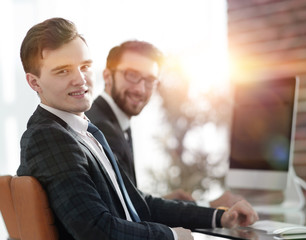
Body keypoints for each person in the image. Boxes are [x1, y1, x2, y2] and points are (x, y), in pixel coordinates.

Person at [17, 17, 258, 240]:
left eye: (85, 66)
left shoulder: (83, 132)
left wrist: (218, 217)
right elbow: (95, 231)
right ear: (34, 82)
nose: (80, 79)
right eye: (63, 70)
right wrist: (172, 237)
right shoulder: (49, 136)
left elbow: (137, 204)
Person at [86, 40, 246, 207]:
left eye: (150, 80)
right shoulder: (102, 128)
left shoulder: (114, 121)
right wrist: (210, 207)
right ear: (107, 76)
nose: (140, 89)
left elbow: (128, 202)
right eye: (131, 75)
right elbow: (129, 212)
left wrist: (167, 202)